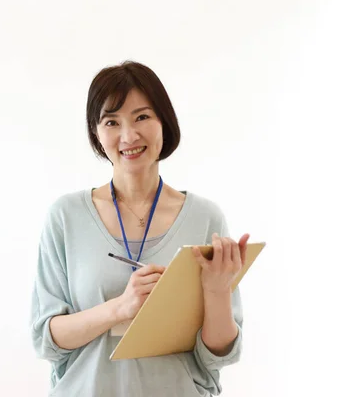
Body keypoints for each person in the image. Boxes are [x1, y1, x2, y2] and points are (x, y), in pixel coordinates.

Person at [29, 60, 250, 397]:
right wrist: (121, 307)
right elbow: (46, 339)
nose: (128, 136)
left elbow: (219, 354)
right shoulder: (66, 216)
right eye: (111, 122)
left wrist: (218, 291)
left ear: (164, 121)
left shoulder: (205, 218)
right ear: (96, 133)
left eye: (142, 117)